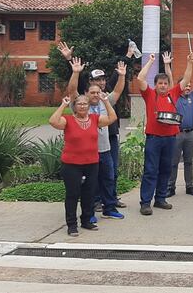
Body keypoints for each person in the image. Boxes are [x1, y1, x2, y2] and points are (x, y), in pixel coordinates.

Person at [58, 41, 133, 209]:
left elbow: (118, 89)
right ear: (88, 88)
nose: (100, 83)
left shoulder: (105, 98)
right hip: (90, 147)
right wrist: (71, 62)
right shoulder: (81, 102)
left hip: (109, 140)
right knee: (93, 176)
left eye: (102, 80)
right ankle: (95, 202)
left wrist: (122, 73)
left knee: (110, 173)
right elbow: (72, 89)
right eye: (96, 81)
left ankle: (110, 201)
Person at [49, 93, 117, 237]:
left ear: (89, 106)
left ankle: (86, 220)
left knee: (89, 194)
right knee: (73, 194)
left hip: (92, 163)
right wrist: (63, 105)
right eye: (79, 104)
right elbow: (53, 121)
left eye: (85, 104)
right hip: (71, 164)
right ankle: (72, 225)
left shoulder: (94, 119)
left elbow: (112, 118)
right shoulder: (67, 120)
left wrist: (105, 101)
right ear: (74, 106)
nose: (82, 106)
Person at [136, 52, 193, 215]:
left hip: (170, 138)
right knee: (150, 170)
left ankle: (160, 198)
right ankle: (145, 202)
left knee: (166, 169)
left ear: (168, 85)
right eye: (160, 83)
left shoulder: (173, 94)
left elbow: (186, 80)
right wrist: (150, 62)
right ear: (155, 85)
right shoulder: (149, 94)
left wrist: (190, 63)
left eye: (165, 83)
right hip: (154, 138)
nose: (162, 85)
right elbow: (140, 79)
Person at [168, 61, 193, 197]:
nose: (188, 87)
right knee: (173, 162)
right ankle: (170, 187)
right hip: (177, 134)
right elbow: (169, 79)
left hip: (190, 134)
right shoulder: (174, 97)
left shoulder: (192, 96)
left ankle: (189, 186)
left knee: (188, 161)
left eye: (189, 86)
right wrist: (167, 65)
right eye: (186, 85)